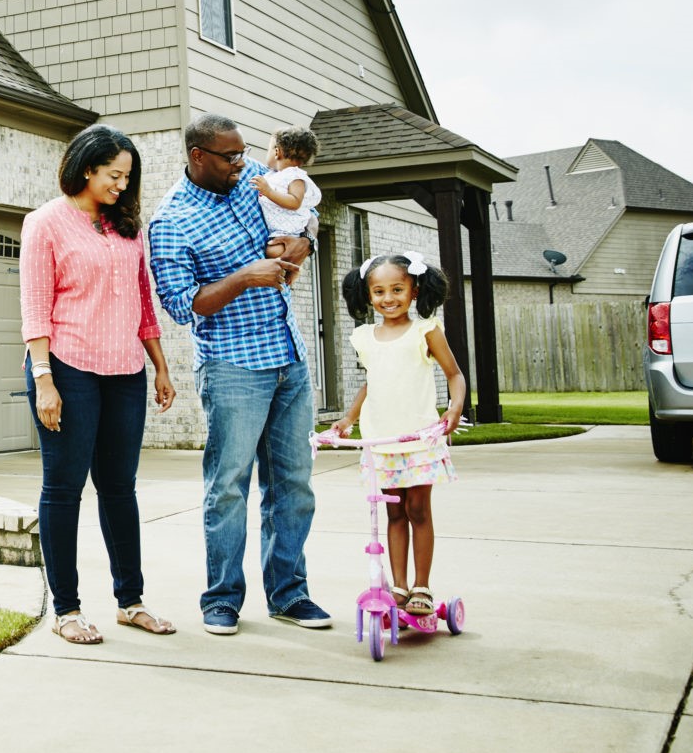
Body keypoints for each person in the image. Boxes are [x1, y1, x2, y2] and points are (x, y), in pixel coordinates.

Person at [147, 113, 332, 636]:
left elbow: (307, 214)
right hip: (233, 367)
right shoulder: (173, 220)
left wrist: (307, 244)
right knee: (228, 486)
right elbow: (183, 307)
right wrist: (246, 275)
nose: (242, 163)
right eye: (229, 156)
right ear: (197, 156)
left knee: (293, 485)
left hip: (289, 357)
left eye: (243, 152)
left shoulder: (254, 176)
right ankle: (222, 599)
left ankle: (289, 595)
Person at [21, 124, 177, 644]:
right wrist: (44, 380)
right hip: (67, 367)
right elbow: (35, 309)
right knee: (64, 489)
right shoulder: (44, 223)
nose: (121, 185)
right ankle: (66, 610)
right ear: (87, 168)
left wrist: (159, 365)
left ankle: (130, 601)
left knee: (119, 488)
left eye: (127, 177)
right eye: (115, 175)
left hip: (125, 370)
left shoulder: (126, 227)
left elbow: (143, 302)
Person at [331, 252, 467, 618]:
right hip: (382, 443)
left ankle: (422, 586)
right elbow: (370, 384)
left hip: (419, 438)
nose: (388, 298)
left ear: (414, 289)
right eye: (379, 292)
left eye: (396, 289)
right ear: (368, 294)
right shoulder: (363, 337)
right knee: (392, 515)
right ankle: (399, 587)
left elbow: (454, 374)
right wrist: (348, 419)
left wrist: (454, 408)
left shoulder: (426, 330)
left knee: (418, 509)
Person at [252, 128, 321, 278]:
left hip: (290, 232)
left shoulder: (295, 177)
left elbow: (295, 202)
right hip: (278, 231)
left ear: (277, 152)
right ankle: (291, 269)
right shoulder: (273, 175)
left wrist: (268, 191)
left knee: (271, 251)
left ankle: (292, 268)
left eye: (269, 149)